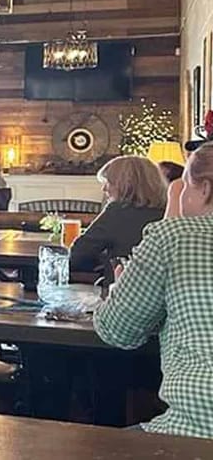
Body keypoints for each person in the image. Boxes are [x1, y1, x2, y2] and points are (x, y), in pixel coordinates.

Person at [95, 143, 213, 438]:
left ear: (205, 189)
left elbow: (117, 330)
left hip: (194, 431)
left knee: (91, 447)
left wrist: (121, 288)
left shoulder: (175, 237)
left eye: (184, 184)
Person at [69, 155, 166, 276]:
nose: (104, 189)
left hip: (122, 284)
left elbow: (78, 255)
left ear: (125, 185)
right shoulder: (168, 211)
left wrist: (103, 260)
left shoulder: (118, 211)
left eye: (109, 183)